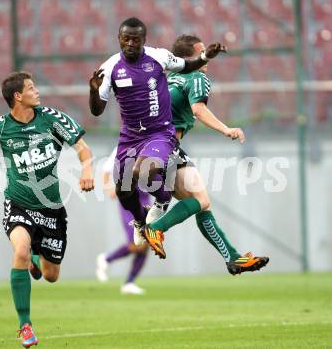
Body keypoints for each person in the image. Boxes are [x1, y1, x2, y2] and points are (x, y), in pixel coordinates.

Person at [0, 71, 94, 347]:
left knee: (51, 276)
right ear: (17, 96)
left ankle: (37, 260)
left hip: (51, 209)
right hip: (18, 203)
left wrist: (86, 169)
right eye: (32, 88)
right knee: (20, 251)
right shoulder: (0, 127)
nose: (37, 92)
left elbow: (83, 148)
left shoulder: (52, 118)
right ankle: (25, 325)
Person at [89, 17, 226, 249]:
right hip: (130, 136)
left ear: (144, 40)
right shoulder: (110, 67)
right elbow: (96, 111)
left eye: (136, 39)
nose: (130, 43)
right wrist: (93, 92)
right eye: (126, 38)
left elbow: (187, 66)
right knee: (123, 189)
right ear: (119, 39)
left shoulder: (158, 56)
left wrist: (205, 57)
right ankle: (141, 223)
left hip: (159, 133)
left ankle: (162, 200)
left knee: (144, 169)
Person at [142, 35, 269, 275]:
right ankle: (154, 228)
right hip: (165, 145)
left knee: (202, 202)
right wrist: (227, 129)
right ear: (187, 57)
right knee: (200, 200)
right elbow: (198, 109)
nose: (206, 57)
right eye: (201, 52)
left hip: (151, 144)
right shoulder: (197, 76)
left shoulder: (168, 78)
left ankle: (233, 258)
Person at [96, 147, 151, 295]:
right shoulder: (125, 145)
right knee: (137, 244)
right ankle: (107, 259)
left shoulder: (153, 143)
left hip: (145, 201)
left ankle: (129, 283)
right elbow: (106, 170)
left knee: (146, 244)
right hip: (129, 201)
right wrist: (109, 189)